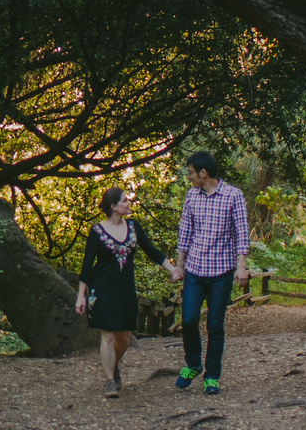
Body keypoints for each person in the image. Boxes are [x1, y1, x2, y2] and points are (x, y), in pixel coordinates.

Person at [167, 150, 251, 394]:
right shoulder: (191, 196)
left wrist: (242, 266)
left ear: (204, 173)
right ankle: (193, 363)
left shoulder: (233, 196)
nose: (189, 176)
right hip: (195, 270)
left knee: (215, 324)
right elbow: (185, 233)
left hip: (221, 272)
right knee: (189, 320)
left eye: (191, 172)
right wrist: (179, 266)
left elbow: (241, 233)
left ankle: (212, 375)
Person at [74, 187, 166, 398]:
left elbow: (151, 251)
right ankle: (109, 382)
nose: (128, 202)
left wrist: (174, 270)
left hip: (125, 290)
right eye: (125, 200)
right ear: (114, 206)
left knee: (124, 337)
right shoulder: (97, 231)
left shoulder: (133, 227)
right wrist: (81, 296)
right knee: (107, 335)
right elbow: (87, 266)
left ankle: (113, 366)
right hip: (102, 289)